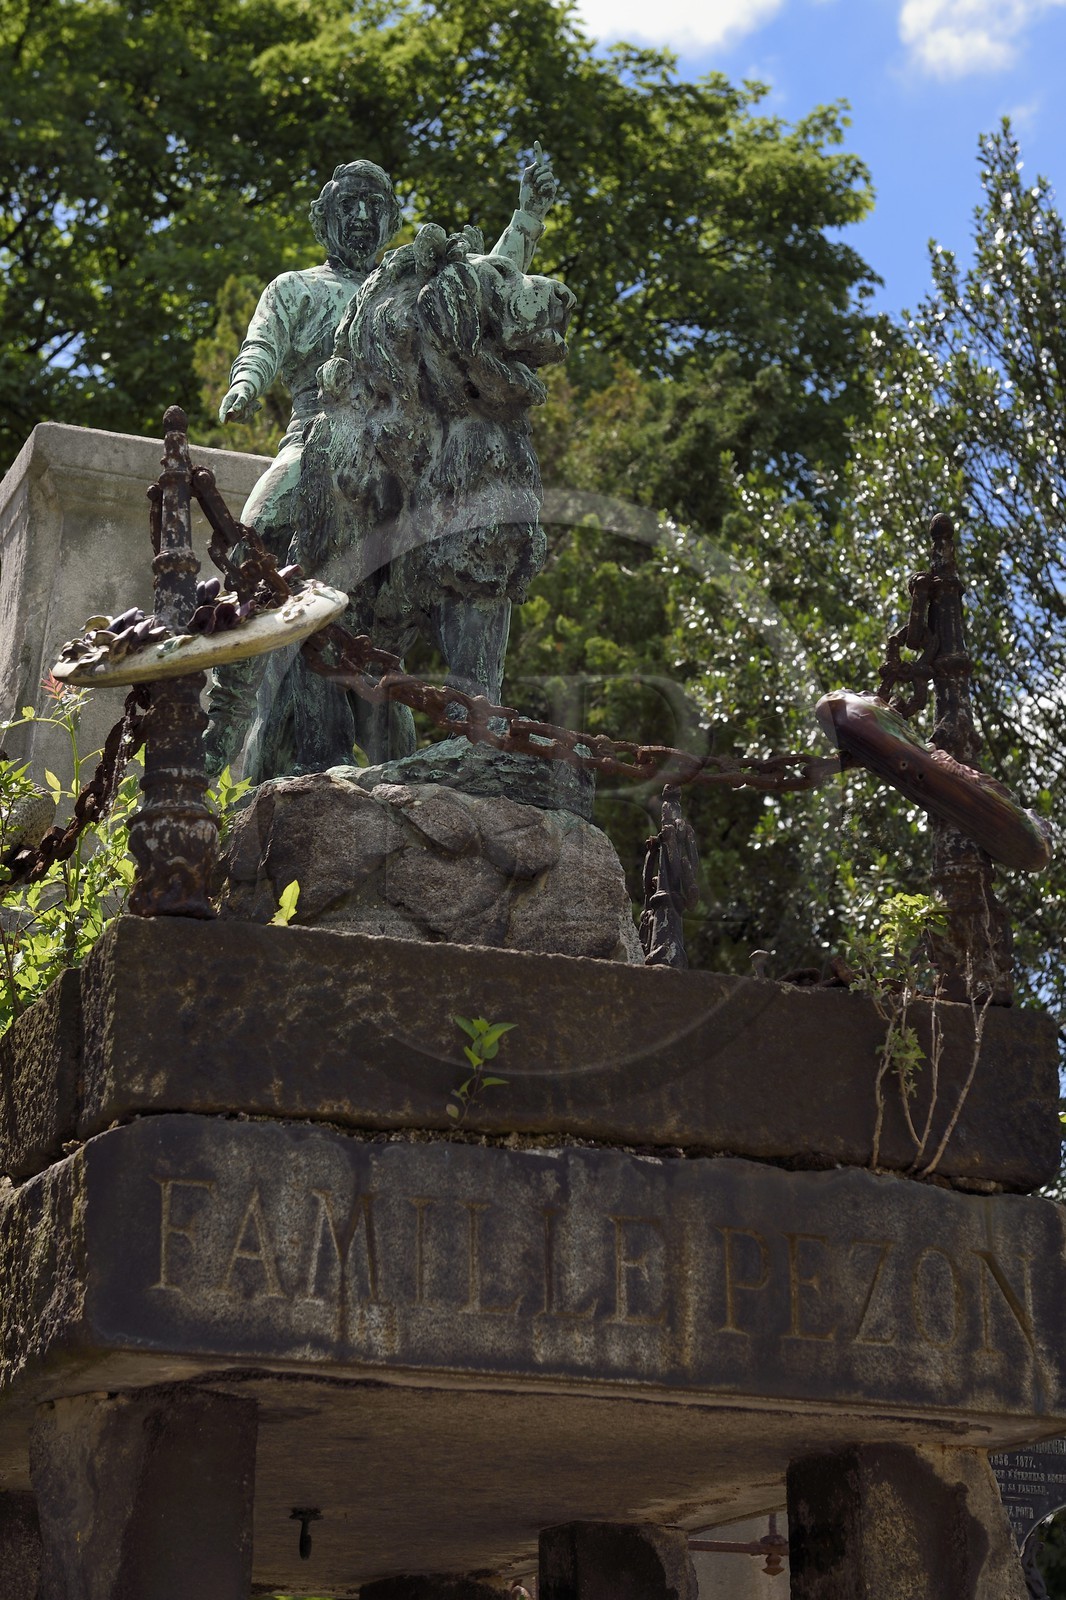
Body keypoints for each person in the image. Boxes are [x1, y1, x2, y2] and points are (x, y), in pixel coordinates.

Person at [205, 146, 559, 777]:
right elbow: (262, 343)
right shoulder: (296, 289)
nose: (363, 217)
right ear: (324, 220)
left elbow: (489, 285)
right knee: (265, 512)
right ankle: (242, 633)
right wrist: (248, 382)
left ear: (392, 218)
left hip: (411, 445)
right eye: (349, 206)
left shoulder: (408, 283)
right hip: (319, 435)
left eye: (376, 206)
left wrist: (527, 216)